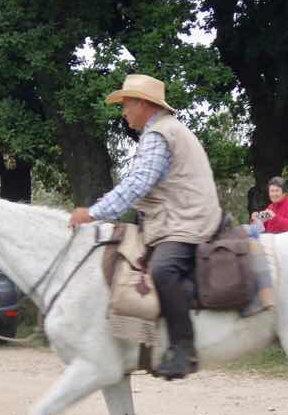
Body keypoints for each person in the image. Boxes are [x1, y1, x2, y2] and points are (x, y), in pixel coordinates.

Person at [69, 74, 223, 380]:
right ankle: (134, 339)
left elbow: (137, 184)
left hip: (184, 221)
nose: (123, 111)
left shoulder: (159, 135)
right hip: (173, 218)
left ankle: (184, 347)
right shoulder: (164, 131)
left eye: (126, 104)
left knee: (163, 270)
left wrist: (93, 213)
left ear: (142, 104)